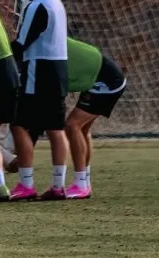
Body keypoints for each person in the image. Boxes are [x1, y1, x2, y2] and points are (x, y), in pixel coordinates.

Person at [9, 0, 70, 201]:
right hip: (58, 69)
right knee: (56, 128)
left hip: (39, 71)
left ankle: (26, 184)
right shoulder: (56, 2)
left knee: (19, 124)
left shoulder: (37, 6)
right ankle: (58, 185)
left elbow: (22, 43)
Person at [62, 37, 127, 199]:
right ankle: (84, 182)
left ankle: (81, 184)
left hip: (107, 82)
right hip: (100, 78)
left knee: (72, 125)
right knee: (81, 128)